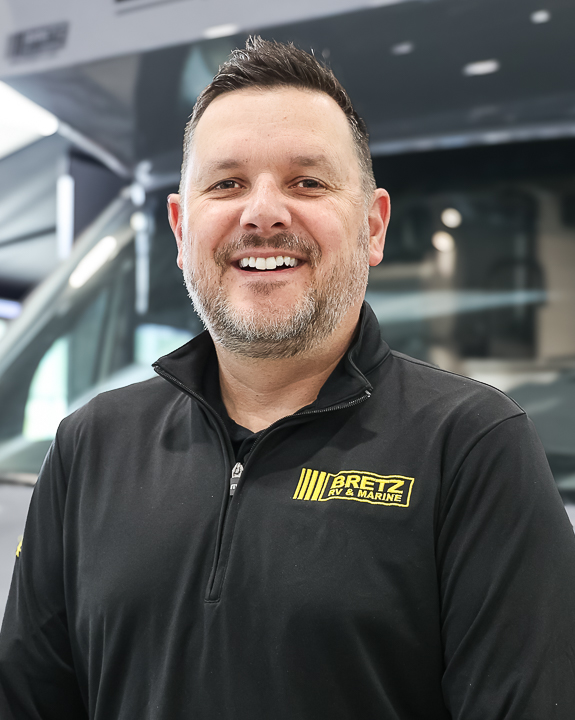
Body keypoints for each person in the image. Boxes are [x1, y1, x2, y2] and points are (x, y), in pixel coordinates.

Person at [1, 36, 574, 720]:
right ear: (180, 230)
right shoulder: (88, 448)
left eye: (307, 182)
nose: (263, 213)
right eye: (226, 184)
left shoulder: (473, 449)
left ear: (372, 226)